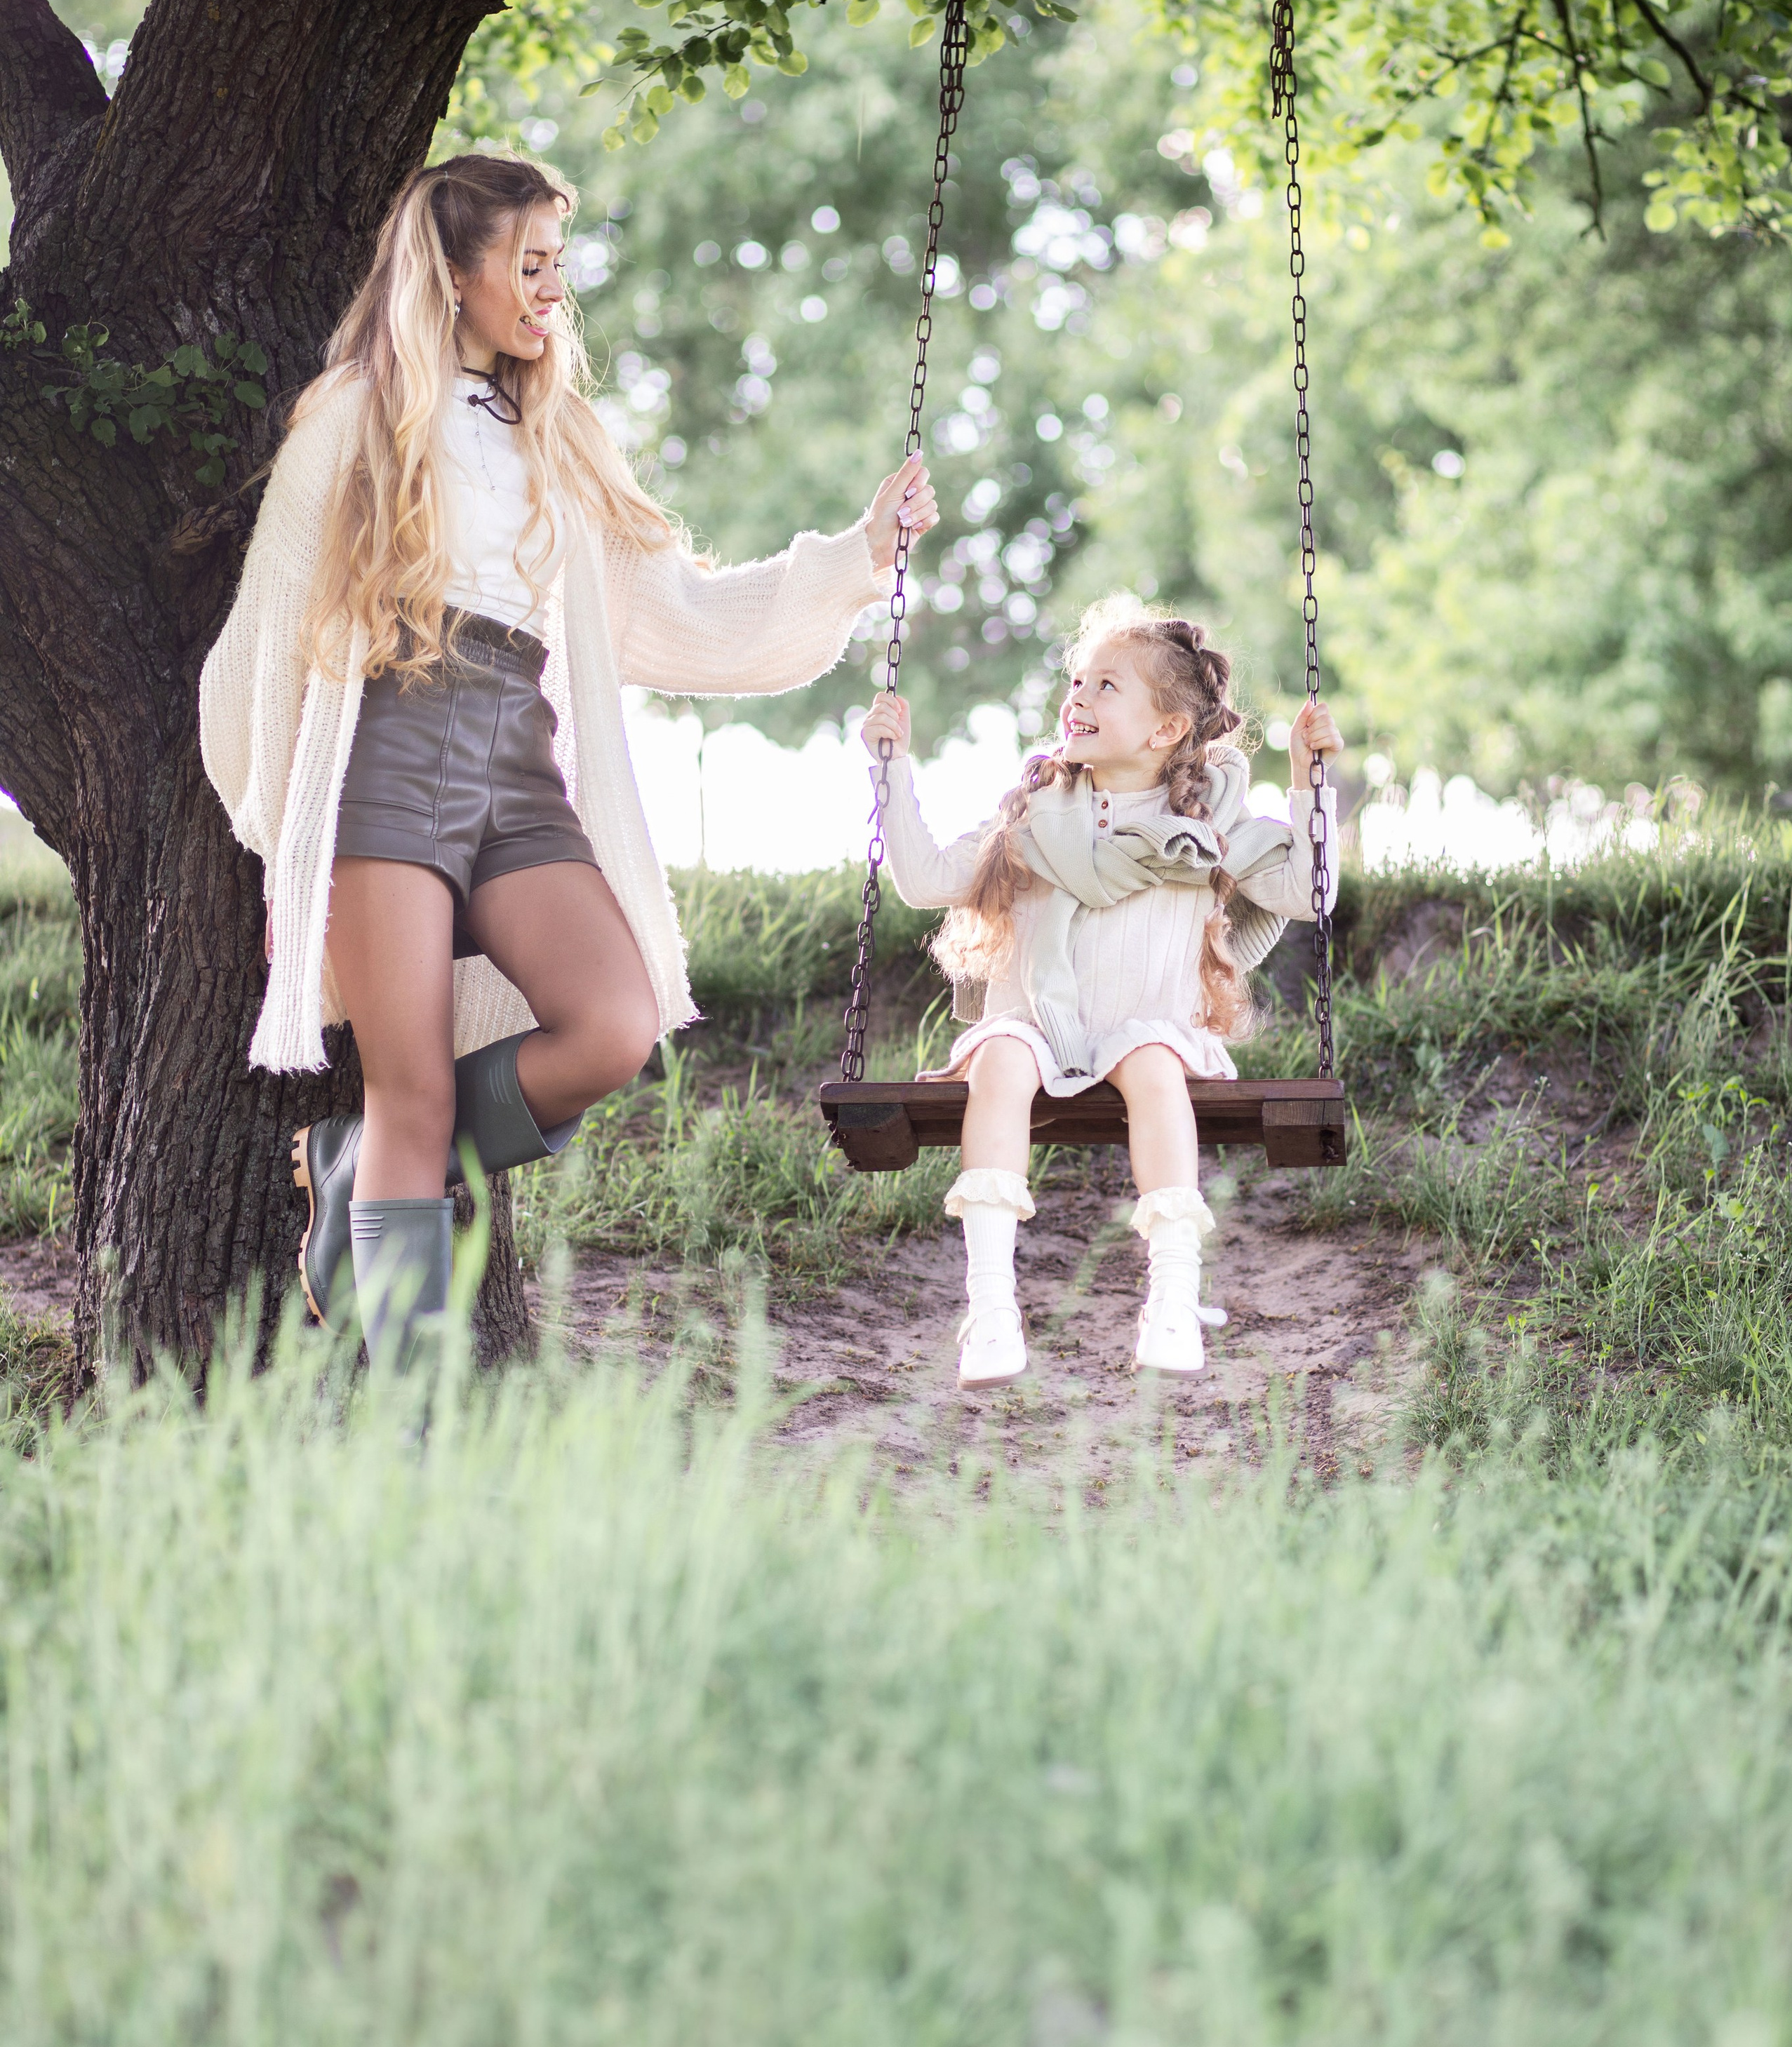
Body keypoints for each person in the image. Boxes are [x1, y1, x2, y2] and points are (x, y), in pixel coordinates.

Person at [201, 151, 936, 1362]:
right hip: (388, 757)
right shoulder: (354, 415)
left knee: (612, 1025)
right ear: (453, 275)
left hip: (519, 767)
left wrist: (859, 557)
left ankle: (358, 1165)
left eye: (560, 266)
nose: (554, 291)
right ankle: (416, 1408)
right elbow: (268, 628)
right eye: (530, 265)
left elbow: (681, 613)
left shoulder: (561, 434)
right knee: (412, 1089)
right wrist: (286, 820)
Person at [860, 598, 1341, 1386]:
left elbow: (1305, 890)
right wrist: (892, 766)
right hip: (1037, 1025)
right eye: (1076, 680)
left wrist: (1305, 780)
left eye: (1105, 685)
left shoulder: (1207, 821)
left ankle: (1173, 1297)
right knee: (1000, 1057)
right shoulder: (1032, 814)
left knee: (1152, 1061)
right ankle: (990, 1306)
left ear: (1166, 729)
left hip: (1148, 1028)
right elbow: (923, 881)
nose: (1076, 696)